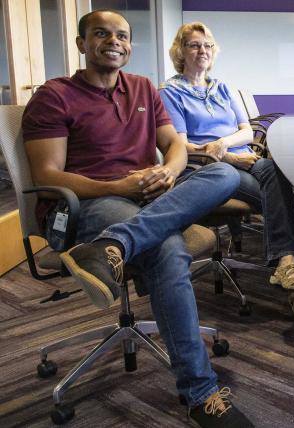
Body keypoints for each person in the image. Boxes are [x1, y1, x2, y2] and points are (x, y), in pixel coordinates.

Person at [22, 10, 252, 427]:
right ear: (81, 44)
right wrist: (120, 187)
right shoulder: (54, 95)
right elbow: (47, 176)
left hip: (147, 193)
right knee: (167, 247)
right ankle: (200, 393)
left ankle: (114, 246)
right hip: (89, 200)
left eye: (123, 36)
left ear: (130, 45)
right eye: (101, 34)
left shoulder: (144, 88)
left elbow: (176, 146)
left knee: (222, 173)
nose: (114, 41)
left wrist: (168, 171)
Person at [159, 22, 294, 318]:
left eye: (207, 45)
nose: (202, 51)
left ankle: (286, 266)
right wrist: (227, 157)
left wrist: (225, 143)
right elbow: (181, 146)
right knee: (279, 200)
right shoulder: (170, 92)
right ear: (180, 51)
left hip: (243, 161)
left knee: (274, 170)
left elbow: (247, 131)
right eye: (194, 45)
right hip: (203, 169)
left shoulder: (223, 88)